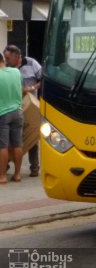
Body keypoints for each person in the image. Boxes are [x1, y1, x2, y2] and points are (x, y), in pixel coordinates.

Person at [3, 45, 42, 177]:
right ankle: (6, 166)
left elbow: (43, 79)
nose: (6, 61)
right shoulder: (9, 69)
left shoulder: (31, 63)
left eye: (8, 58)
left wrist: (32, 88)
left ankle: (34, 167)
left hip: (30, 105)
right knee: (13, 140)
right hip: (17, 105)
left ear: (16, 57)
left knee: (32, 137)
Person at [0, 52, 24, 184]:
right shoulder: (16, 72)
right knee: (17, 144)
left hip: (2, 113)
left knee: (2, 146)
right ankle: (17, 174)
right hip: (18, 112)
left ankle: (2, 176)